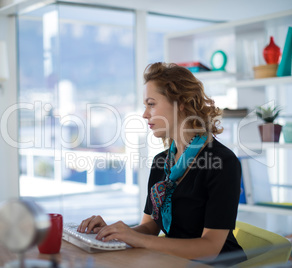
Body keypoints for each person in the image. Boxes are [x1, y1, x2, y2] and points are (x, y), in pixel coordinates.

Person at [77, 62, 246, 263]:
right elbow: (150, 227)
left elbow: (210, 247)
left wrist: (137, 239)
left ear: (180, 102)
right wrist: (112, 233)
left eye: (151, 103)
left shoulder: (222, 163)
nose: (145, 114)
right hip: (173, 262)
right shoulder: (161, 162)